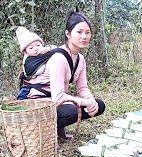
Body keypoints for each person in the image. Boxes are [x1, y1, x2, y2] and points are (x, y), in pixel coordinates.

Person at [18, 11, 105, 139]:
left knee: (99, 105)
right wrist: (83, 102)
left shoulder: (80, 59)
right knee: (72, 110)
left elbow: (82, 88)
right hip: (36, 104)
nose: (84, 36)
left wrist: (91, 101)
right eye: (79, 32)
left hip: (52, 102)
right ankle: (42, 131)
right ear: (68, 34)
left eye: (87, 32)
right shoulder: (58, 58)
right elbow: (58, 97)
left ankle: (57, 129)